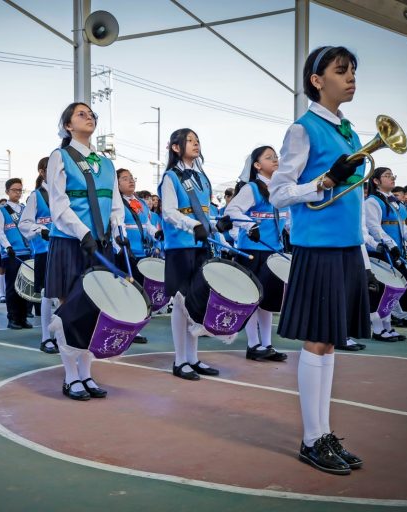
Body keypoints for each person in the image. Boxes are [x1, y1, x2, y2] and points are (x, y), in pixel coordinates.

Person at [269, 46, 372, 475]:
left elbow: (355, 199)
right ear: (316, 80)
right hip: (318, 248)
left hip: (346, 247)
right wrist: (325, 181)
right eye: (341, 71)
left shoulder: (349, 132)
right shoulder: (303, 128)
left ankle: (323, 433)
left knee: (330, 342)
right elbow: (279, 193)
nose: (350, 78)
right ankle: (312, 440)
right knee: (317, 341)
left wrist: (363, 252)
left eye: (353, 71)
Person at [45, 102, 125, 400]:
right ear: (68, 125)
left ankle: (87, 373)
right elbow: (59, 204)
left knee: (96, 307)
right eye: (81, 114)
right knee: (70, 308)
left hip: (99, 243)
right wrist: (83, 232)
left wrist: (117, 231)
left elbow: (115, 203)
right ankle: (70, 377)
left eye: (91, 114)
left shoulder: (106, 163)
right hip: (71, 241)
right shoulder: (60, 156)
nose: (89, 117)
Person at [159, 128, 232, 381]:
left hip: (200, 245)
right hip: (180, 247)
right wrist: (194, 226)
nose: (195, 144)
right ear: (175, 147)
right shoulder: (170, 177)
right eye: (189, 140)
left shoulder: (202, 177)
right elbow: (169, 213)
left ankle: (193, 358)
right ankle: (180, 360)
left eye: (197, 140)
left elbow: (203, 213)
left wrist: (217, 225)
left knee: (195, 302)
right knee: (180, 303)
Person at [225, 145, 290, 359]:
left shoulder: (281, 189)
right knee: (253, 299)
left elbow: (288, 220)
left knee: (268, 301)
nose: (275, 160)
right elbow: (232, 210)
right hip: (252, 251)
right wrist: (249, 225)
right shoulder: (251, 188)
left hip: (274, 252)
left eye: (276, 156)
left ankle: (267, 345)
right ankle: (253, 345)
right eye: (269, 157)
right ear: (257, 165)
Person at [364, 167, 407, 342]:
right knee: (380, 292)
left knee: (391, 292)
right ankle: (378, 329)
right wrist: (390, 245)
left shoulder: (394, 201)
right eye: (387, 176)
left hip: (393, 252)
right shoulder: (372, 201)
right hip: (379, 252)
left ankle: (388, 326)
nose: (392, 178)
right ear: (376, 181)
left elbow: (401, 224)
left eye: (393, 175)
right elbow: (374, 228)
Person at [116, 167, 160, 344]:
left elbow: (148, 224)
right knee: (126, 291)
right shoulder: (116, 202)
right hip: (126, 254)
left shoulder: (140, 202)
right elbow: (117, 226)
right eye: (125, 178)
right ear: (117, 183)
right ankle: (123, 327)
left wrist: (156, 234)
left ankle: (135, 327)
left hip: (142, 254)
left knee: (139, 291)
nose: (131, 181)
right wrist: (122, 246)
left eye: (132, 178)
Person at [19, 158, 57, 353]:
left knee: (64, 293)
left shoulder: (65, 193)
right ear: (42, 172)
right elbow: (24, 223)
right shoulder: (36, 196)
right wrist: (40, 229)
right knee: (47, 294)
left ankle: (60, 335)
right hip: (45, 251)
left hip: (65, 249)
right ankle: (46, 338)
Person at [0, 178, 32, 329]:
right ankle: (13, 318)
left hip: (26, 252)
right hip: (11, 254)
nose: (18, 193)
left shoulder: (25, 209)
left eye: (20, 190)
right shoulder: (2, 210)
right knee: (12, 287)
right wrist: (7, 246)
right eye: (14, 190)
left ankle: (23, 318)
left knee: (25, 287)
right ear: (7, 192)